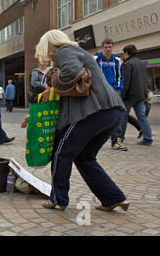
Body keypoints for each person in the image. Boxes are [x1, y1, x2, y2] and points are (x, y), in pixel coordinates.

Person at [22, 29, 128, 212]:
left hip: (91, 112)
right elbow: (71, 83)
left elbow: (71, 72)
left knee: (61, 153)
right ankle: (113, 198)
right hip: (111, 112)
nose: (47, 56)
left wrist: (51, 85)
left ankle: (58, 199)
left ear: (50, 46)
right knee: (84, 157)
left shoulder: (65, 51)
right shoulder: (78, 52)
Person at [93, 38, 126, 150]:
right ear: (103, 47)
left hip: (114, 90)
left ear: (113, 47)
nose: (107, 49)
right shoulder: (96, 58)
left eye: (110, 47)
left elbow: (120, 76)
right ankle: (95, 139)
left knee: (117, 114)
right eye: (106, 47)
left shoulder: (117, 60)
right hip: (100, 90)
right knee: (99, 113)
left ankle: (116, 140)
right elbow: (92, 73)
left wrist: (119, 88)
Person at [118, 45, 153, 147]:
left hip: (130, 95)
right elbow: (145, 79)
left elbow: (126, 82)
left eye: (124, 53)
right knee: (142, 116)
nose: (123, 55)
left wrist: (122, 96)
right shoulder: (141, 63)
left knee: (123, 116)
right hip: (141, 94)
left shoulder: (128, 64)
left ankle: (120, 137)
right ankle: (148, 138)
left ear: (127, 53)